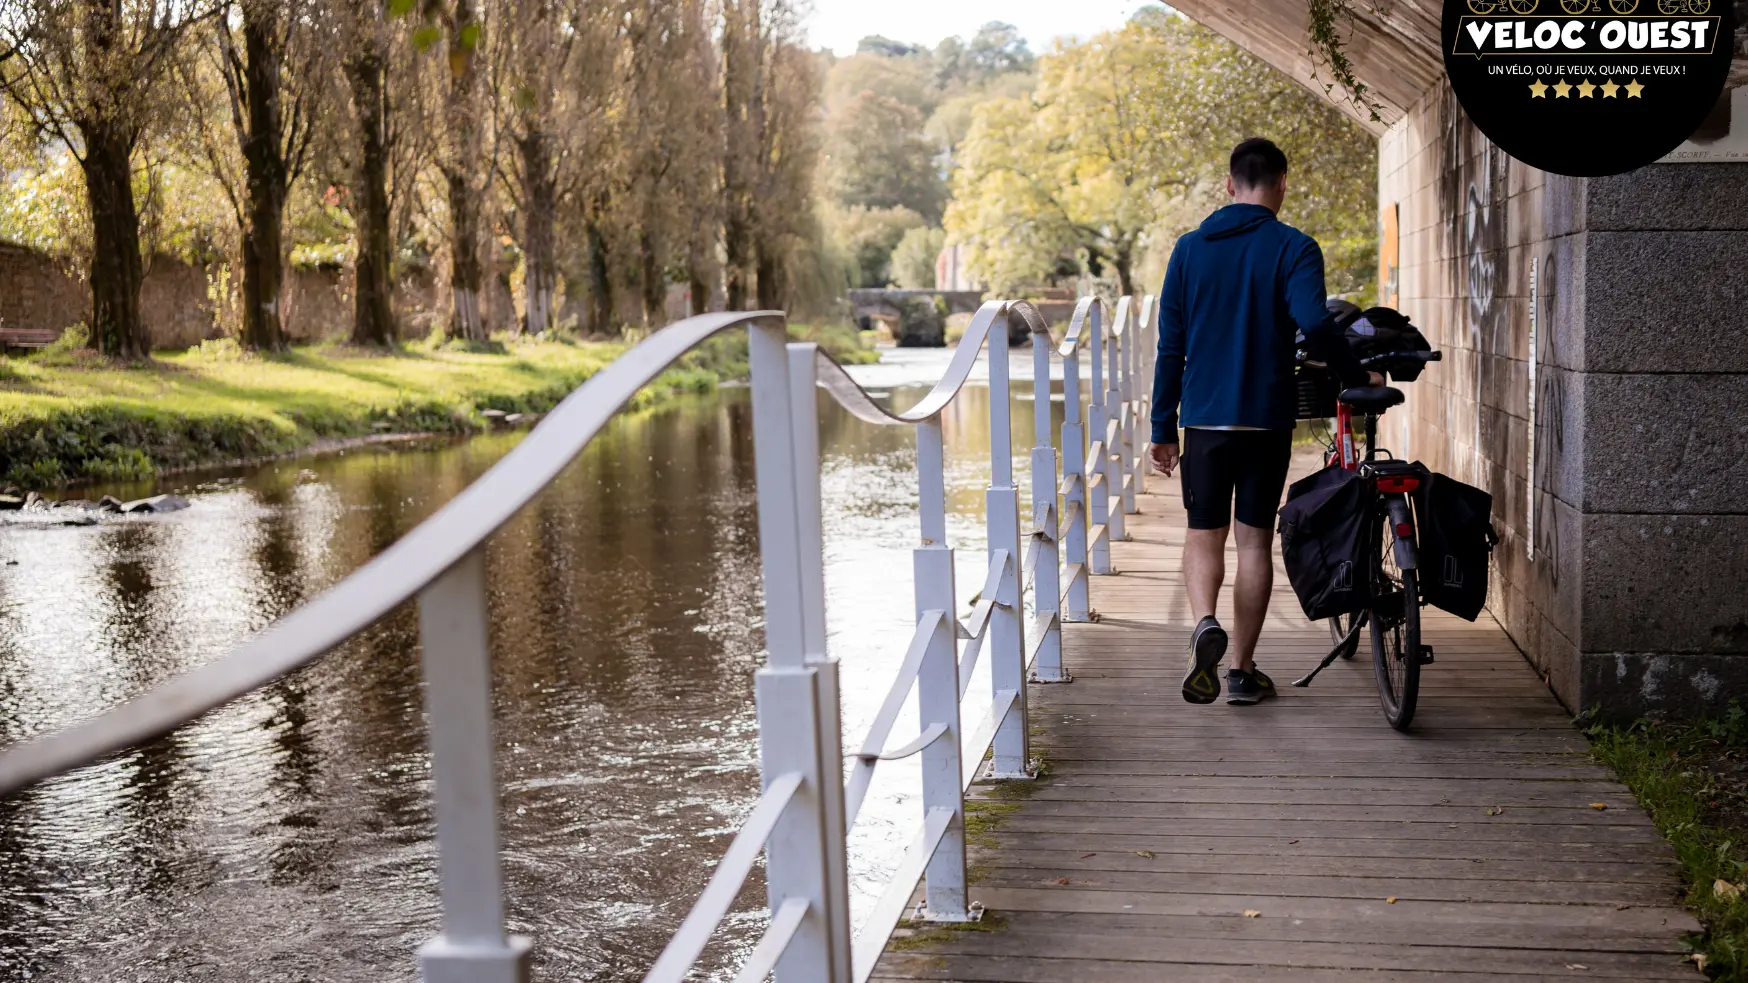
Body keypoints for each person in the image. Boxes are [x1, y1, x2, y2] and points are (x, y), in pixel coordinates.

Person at [1148, 137, 1374, 706]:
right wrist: (1353, 375)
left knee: (1204, 534)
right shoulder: (1294, 247)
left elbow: (1170, 345)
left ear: (1229, 185)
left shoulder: (1189, 250)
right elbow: (1315, 324)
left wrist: (1161, 428)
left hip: (1204, 418)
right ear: (1281, 184)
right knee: (1253, 544)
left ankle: (1204, 623)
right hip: (1267, 419)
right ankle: (1243, 672)